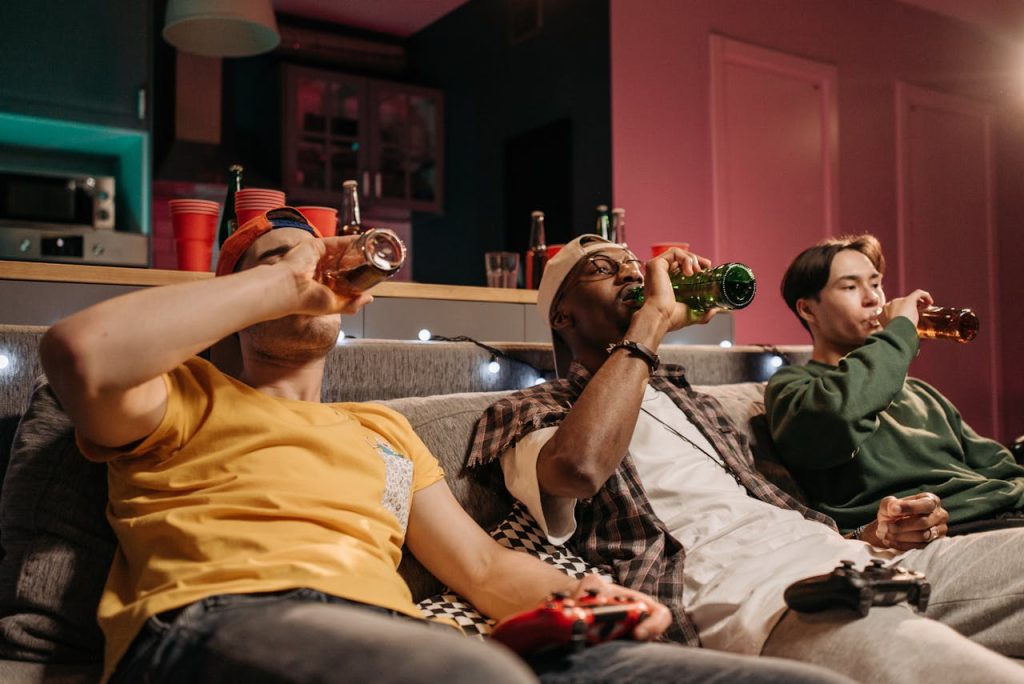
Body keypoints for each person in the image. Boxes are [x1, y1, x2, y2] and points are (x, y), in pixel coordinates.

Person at [39, 208, 848, 684]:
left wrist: (590, 599)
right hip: (215, 624)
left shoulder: (381, 432)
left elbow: (484, 571)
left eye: (313, 260)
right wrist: (282, 274)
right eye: (278, 265)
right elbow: (78, 352)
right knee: (471, 674)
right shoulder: (179, 395)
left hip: (404, 640)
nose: (308, 272)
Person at [467, 234, 1024, 683]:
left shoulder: (689, 399)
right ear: (562, 317)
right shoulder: (529, 410)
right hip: (762, 598)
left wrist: (870, 534)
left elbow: (757, 511)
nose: (630, 274)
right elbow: (578, 471)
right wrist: (652, 321)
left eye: (633, 265)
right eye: (602, 269)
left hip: (857, 558)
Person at [764, 234, 1024, 536]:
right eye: (850, 287)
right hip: (951, 531)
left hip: (1006, 516)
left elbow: (1004, 471)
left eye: (875, 284)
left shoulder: (920, 392)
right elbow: (838, 416)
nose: (873, 298)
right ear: (808, 310)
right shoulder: (794, 387)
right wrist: (900, 332)